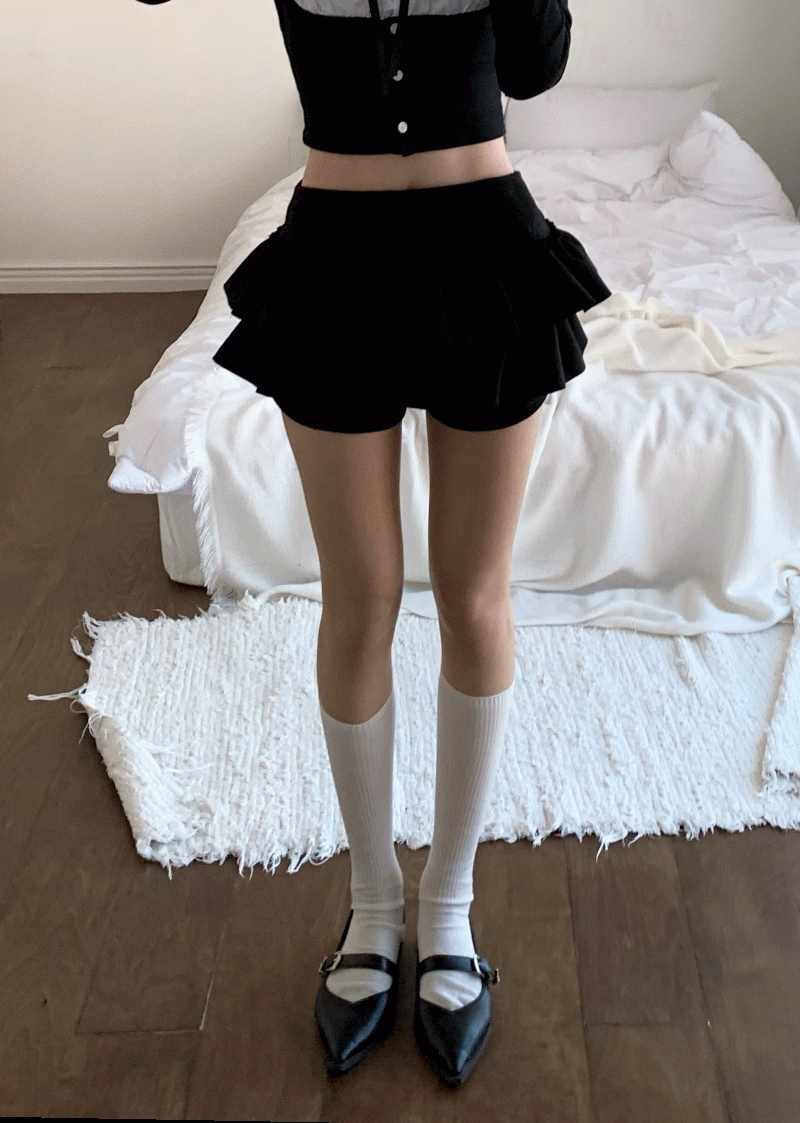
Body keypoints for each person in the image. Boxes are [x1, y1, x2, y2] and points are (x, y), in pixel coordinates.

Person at [140, 0, 612, 1087]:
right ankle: (372, 901)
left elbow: (535, 65)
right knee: (357, 597)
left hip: (487, 247)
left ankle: (448, 907)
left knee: (474, 597)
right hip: (335, 256)